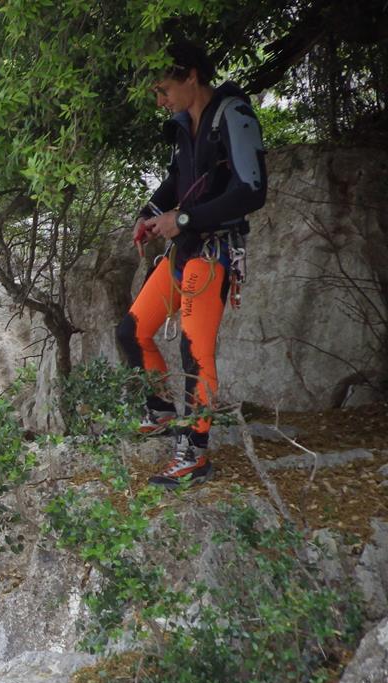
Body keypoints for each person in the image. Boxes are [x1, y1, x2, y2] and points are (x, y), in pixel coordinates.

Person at [115, 37, 267, 486]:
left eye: (164, 89)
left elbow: (252, 190)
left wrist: (182, 218)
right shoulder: (184, 125)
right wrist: (148, 214)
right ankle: (161, 411)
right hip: (185, 249)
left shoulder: (233, 114)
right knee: (131, 331)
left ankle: (194, 452)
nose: (160, 100)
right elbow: (174, 181)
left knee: (194, 351)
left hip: (215, 250)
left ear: (191, 76)